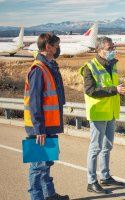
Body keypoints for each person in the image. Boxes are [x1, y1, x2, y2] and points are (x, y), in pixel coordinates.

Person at [79, 37, 125, 194]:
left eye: (113, 47)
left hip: (111, 111)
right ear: (99, 50)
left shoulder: (112, 64)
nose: (113, 50)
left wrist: (124, 90)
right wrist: (115, 90)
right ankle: (91, 181)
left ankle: (105, 176)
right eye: (110, 48)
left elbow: (113, 86)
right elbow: (91, 91)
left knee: (107, 146)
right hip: (98, 112)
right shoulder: (89, 67)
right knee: (95, 147)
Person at [24, 33, 69, 200]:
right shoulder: (38, 69)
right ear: (48, 47)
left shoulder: (50, 66)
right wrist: (39, 128)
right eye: (56, 45)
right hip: (40, 127)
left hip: (49, 124)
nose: (58, 49)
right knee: (38, 166)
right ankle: (37, 197)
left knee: (47, 162)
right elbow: (34, 102)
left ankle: (49, 195)